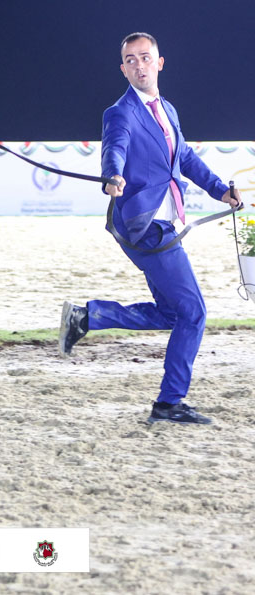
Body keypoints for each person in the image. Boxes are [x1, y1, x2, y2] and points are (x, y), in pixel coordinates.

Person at [59, 32, 242, 425]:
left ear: (159, 63)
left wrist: (220, 190)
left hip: (163, 222)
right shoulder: (120, 112)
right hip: (145, 226)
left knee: (174, 313)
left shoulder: (167, 110)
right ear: (123, 69)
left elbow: (184, 158)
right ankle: (169, 403)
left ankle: (88, 317)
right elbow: (115, 147)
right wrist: (112, 175)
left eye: (145, 57)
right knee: (193, 312)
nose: (139, 65)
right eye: (131, 60)